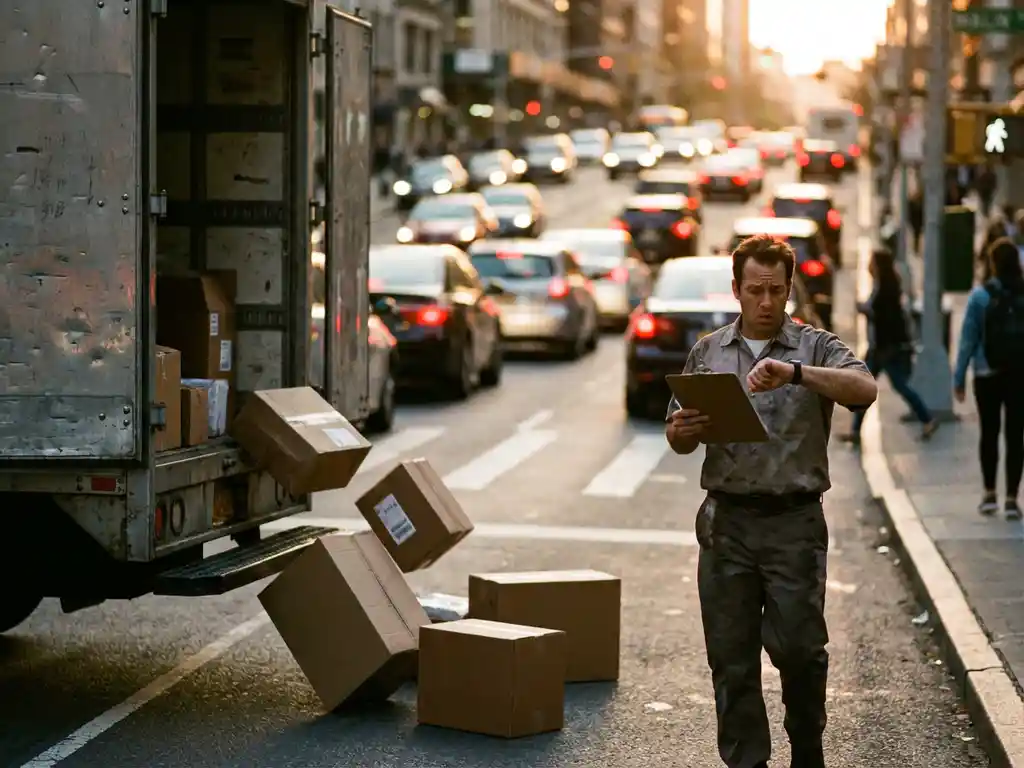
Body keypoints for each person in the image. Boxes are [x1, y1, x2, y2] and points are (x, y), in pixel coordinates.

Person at [665, 235, 877, 768]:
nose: (766, 301)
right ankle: (747, 762)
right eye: (755, 290)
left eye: (776, 290)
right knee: (731, 662)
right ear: (735, 289)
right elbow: (678, 436)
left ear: (789, 290)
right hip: (727, 523)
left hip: (794, 524)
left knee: (801, 653)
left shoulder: (815, 346)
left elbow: (865, 390)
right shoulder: (709, 351)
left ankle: (808, 751)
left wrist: (796, 374)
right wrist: (683, 429)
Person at [954, 237, 1024, 519]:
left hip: (987, 373)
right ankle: (1011, 499)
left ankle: (989, 495)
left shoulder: (981, 297)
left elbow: (967, 340)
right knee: (1016, 436)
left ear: (992, 264)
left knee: (989, 433)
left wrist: (958, 377)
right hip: (1019, 374)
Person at [839, 249, 937, 445]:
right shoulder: (884, 286)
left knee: (891, 385)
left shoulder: (886, 289)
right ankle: (856, 431)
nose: (869, 267)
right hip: (881, 347)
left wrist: (866, 310)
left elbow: (885, 317)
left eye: (872, 263)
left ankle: (926, 418)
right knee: (869, 386)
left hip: (885, 348)